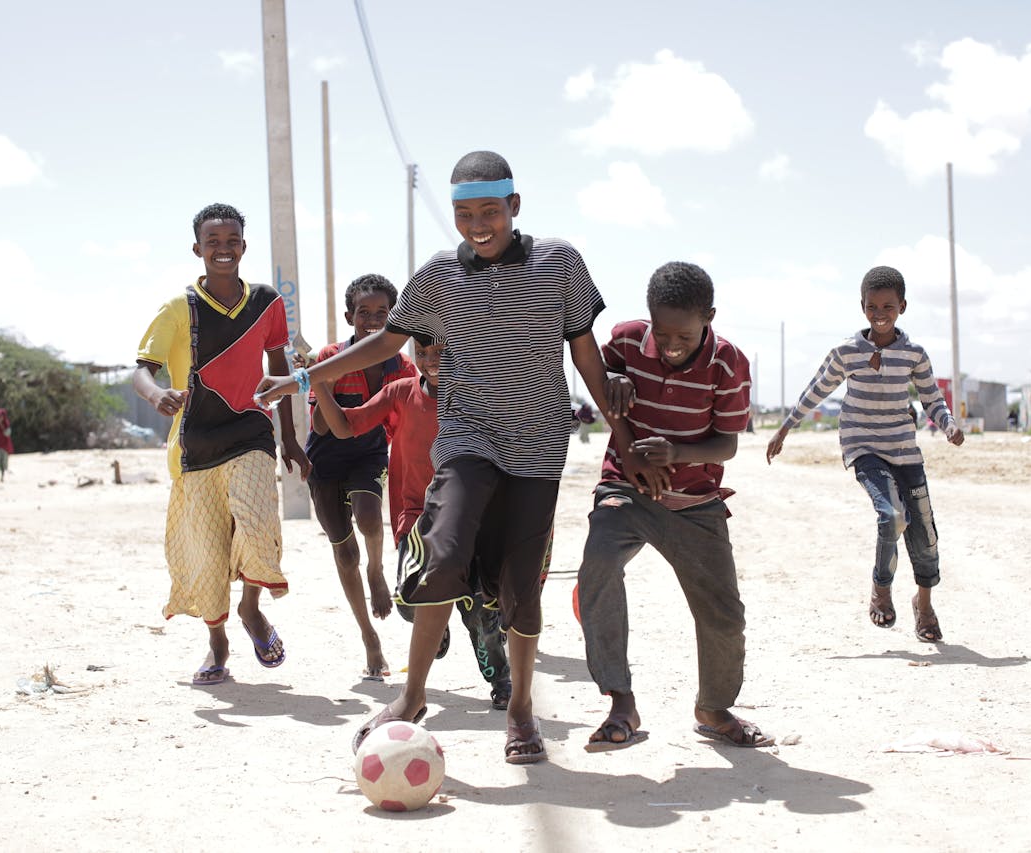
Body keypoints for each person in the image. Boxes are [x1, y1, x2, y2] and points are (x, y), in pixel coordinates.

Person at [257, 150, 641, 764]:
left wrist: (621, 436)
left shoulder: (560, 264)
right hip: (465, 441)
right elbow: (387, 339)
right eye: (464, 213)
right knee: (442, 554)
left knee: (520, 585)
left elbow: (584, 352)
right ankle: (411, 695)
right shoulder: (439, 274)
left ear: (515, 206)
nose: (478, 224)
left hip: (538, 447)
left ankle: (519, 709)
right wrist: (305, 379)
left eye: (491, 210)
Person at [579, 261, 770, 752]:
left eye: (683, 334)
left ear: (709, 316)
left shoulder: (729, 364)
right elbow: (604, 384)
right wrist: (615, 383)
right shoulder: (625, 340)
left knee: (724, 615)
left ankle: (714, 707)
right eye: (661, 332)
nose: (669, 344)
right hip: (625, 489)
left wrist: (677, 454)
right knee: (598, 568)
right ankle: (620, 701)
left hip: (694, 501)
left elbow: (726, 444)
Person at [132, 202, 309, 687]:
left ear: (243, 247)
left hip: (252, 434)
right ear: (197, 249)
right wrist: (157, 394)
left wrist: (290, 438)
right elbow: (141, 369)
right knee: (209, 554)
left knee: (256, 526)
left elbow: (280, 373)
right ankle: (217, 643)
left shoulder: (267, 303)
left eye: (231, 241)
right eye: (213, 242)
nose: (223, 249)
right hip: (195, 447)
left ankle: (252, 610)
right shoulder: (178, 309)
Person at [310, 338, 513, 709]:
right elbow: (343, 427)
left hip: (471, 516)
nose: (431, 360)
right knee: (408, 603)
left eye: (440, 352)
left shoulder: (476, 394)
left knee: (480, 615)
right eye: (423, 352)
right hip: (415, 517)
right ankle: (437, 626)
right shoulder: (401, 393)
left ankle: (501, 679)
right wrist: (319, 381)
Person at [766, 265, 964, 642]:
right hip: (863, 446)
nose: (880, 314)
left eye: (887, 306)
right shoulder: (847, 352)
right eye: (872, 307)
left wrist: (948, 423)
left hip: (904, 450)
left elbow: (931, 399)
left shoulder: (914, 355)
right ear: (862, 307)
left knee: (924, 534)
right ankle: (881, 589)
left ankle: (923, 606)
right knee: (891, 515)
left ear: (902, 306)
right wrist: (786, 426)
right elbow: (817, 389)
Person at [299, 274, 416, 681]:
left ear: (395, 317)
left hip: (368, 452)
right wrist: (323, 381)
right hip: (326, 458)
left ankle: (378, 570)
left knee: (370, 516)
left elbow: (406, 422)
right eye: (363, 312)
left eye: (382, 313)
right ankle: (369, 636)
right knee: (344, 553)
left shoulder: (401, 366)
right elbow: (322, 425)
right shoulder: (331, 356)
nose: (372, 319)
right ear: (349, 316)